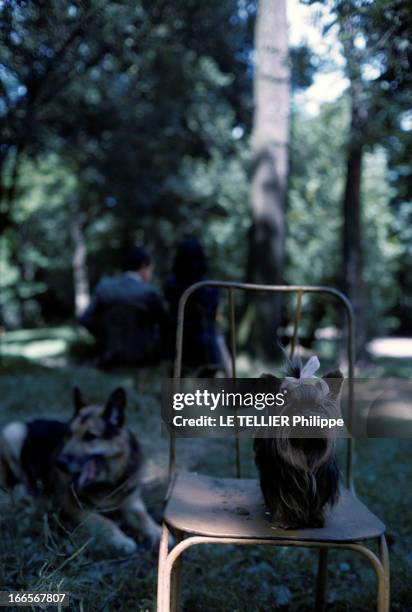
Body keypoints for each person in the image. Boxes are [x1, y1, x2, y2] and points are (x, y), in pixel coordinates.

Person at [79, 246, 168, 367]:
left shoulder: (104, 287)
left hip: (108, 355)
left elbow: (85, 319)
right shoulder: (149, 293)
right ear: (143, 266)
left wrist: (104, 337)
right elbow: (165, 325)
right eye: (151, 269)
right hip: (143, 357)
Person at [164, 238, 229, 376]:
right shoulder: (209, 287)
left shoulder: (170, 286)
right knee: (218, 339)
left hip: (175, 348)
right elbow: (214, 317)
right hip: (204, 350)